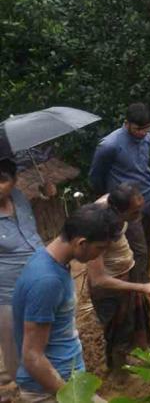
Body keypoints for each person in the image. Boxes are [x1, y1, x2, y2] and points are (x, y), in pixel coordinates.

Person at [13, 204, 122, 403]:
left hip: (66, 382)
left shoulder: (49, 261)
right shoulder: (47, 281)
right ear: (81, 243)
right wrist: (72, 397)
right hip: (50, 391)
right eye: (100, 248)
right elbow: (32, 356)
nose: (100, 255)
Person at [88, 184, 150, 371]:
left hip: (128, 272)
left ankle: (145, 355)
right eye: (135, 213)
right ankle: (119, 374)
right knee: (119, 331)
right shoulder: (97, 227)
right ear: (119, 212)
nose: (139, 216)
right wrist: (141, 287)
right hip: (111, 288)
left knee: (139, 317)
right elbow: (98, 279)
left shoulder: (113, 203)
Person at [89, 103, 150, 277]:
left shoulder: (147, 138)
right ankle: (137, 289)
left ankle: (144, 277)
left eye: (147, 129)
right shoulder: (109, 146)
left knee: (149, 242)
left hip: (147, 198)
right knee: (138, 250)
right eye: (138, 129)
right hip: (127, 206)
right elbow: (96, 177)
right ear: (127, 123)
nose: (143, 133)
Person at [0, 160, 45, 390]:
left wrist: (47, 191)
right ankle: (24, 388)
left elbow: (43, 195)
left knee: (46, 335)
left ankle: (50, 381)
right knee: (13, 344)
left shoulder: (18, 197)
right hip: (8, 291)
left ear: (14, 181)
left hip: (41, 281)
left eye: (2, 180)